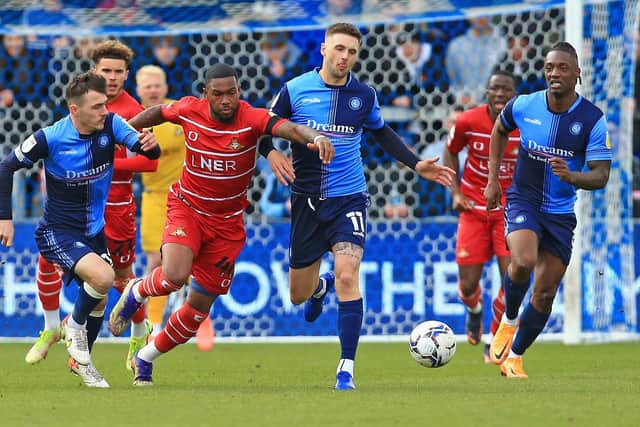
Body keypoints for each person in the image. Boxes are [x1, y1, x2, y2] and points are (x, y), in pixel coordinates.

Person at [108, 63, 335, 386]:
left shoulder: (252, 118)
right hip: (187, 208)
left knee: (197, 310)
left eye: (232, 92)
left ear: (239, 92)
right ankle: (138, 290)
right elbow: (158, 112)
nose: (226, 100)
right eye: (218, 94)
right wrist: (124, 133)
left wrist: (316, 136)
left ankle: (145, 358)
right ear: (206, 95)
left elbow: (290, 129)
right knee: (174, 274)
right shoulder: (189, 109)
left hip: (227, 225)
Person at [265, 22, 456, 390]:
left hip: (349, 198)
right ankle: (320, 287)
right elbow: (263, 126)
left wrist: (416, 164)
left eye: (351, 51)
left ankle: (346, 368)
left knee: (348, 276)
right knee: (297, 294)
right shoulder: (295, 90)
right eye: (339, 49)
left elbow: (382, 132)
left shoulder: (363, 96)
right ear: (323, 49)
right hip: (305, 201)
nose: (345, 57)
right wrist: (271, 151)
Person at [0, 72, 159, 387]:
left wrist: (150, 145)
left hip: (93, 231)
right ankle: (71, 325)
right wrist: (5, 218)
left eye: (104, 105)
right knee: (104, 278)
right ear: (75, 110)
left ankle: (81, 363)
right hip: (57, 231)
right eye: (97, 107)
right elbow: (6, 166)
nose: (104, 111)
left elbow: (149, 155)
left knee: (99, 299)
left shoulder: (112, 125)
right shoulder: (51, 137)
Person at [484, 42, 611, 378]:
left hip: (560, 212)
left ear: (577, 74)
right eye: (549, 67)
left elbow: (601, 175)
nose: (554, 73)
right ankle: (509, 321)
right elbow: (499, 129)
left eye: (562, 68)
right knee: (523, 260)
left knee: (544, 293)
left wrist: (573, 176)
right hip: (523, 198)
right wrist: (493, 179)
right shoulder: (525, 105)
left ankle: (515, 357)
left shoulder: (592, 120)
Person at [135, 64, 216, 349]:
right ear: (139, 89)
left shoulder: (180, 112)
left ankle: (198, 315)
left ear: (166, 86)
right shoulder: (134, 121)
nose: (153, 89)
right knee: (157, 263)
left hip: (190, 197)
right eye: (147, 85)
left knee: (194, 260)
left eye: (158, 84)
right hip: (155, 197)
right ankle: (154, 325)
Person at [442, 70, 519, 362]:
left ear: (515, 95)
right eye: (495, 89)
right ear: (486, 92)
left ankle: (496, 339)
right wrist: (455, 192)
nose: (500, 94)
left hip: (510, 212)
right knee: (468, 284)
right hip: (473, 209)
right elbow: (450, 152)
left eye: (506, 90)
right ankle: (474, 311)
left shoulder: (525, 125)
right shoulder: (468, 121)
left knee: (512, 279)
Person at [446, 17, 507, 106]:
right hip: (464, 106)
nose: (479, 15)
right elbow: (452, 78)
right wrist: (461, 97)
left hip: (496, 106)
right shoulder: (456, 46)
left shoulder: (503, 43)